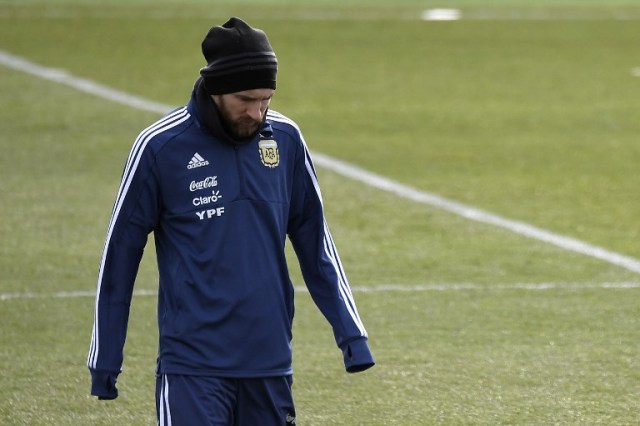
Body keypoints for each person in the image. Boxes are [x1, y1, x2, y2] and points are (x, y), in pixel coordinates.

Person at [87, 17, 374, 425]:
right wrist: (106, 359)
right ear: (217, 89)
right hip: (192, 367)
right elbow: (119, 256)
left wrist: (351, 334)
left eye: (266, 99)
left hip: (270, 363)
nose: (258, 113)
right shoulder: (160, 147)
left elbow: (315, 241)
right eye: (245, 99)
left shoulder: (286, 140)